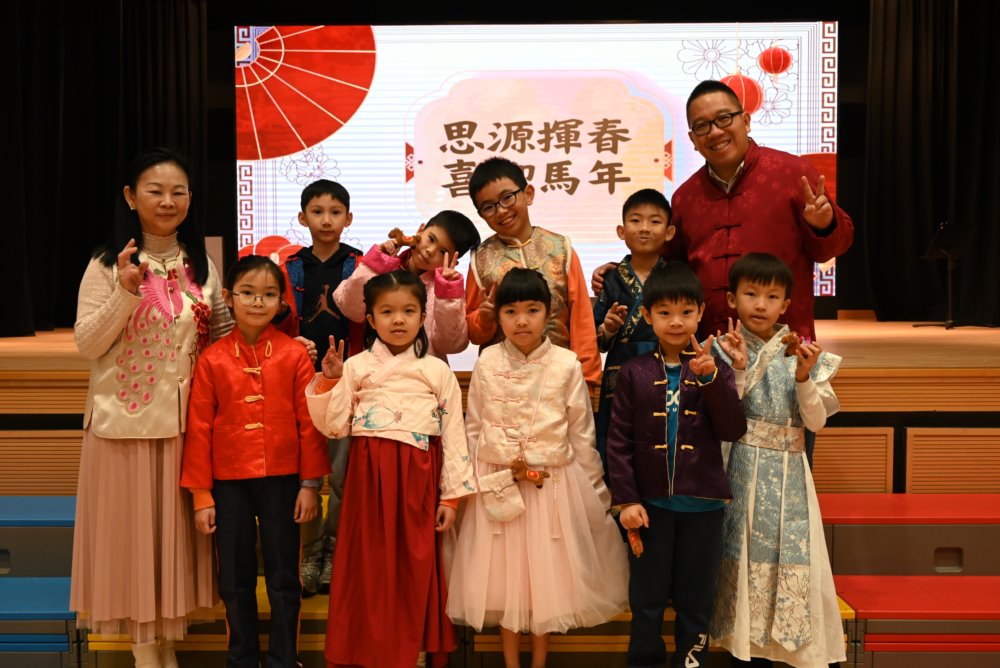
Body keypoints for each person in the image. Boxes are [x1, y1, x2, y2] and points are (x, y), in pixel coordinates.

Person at [70, 147, 233, 668]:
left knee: (172, 549)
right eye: (155, 191)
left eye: (178, 192)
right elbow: (88, 343)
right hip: (124, 427)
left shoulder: (200, 264)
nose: (167, 201)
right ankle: (145, 655)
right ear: (130, 197)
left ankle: (166, 648)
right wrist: (124, 292)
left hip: (186, 428)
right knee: (134, 547)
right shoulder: (105, 264)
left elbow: (222, 337)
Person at [448, 268, 629, 668]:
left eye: (532, 310)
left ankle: (540, 662)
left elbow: (581, 434)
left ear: (548, 313)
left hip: (553, 487)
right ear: (499, 317)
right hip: (496, 482)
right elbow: (473, 428)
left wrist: (596, 493)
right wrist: (469, 485)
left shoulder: (566, 363)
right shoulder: (487, 361)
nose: (522, 321)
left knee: (546, 580)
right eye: (511, 312)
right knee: (503, 581)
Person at [307, 270, 477, 668]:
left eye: (408, 311)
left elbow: (454, 434)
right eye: (387, 312)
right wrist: (331, 380)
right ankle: (367, 653)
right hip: (368, 479)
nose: (398, 320)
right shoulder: (356, 366)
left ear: (423, 316)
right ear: (370, 319)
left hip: (419, 478)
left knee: (415, 564)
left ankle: (411, 651)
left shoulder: (437, 370)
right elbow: (334, 425)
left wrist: (450, 498)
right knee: (368, 567)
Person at [180, 255, 329, 668]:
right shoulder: (212, 359)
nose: (258, 302)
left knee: (285, 578)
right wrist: (201, 496)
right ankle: (241, 659)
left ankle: (284, 659)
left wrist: (309, 485)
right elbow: (199, 429)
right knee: (234, 578)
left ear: (282, 302)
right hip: (228, 483)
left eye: (268, 294)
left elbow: (308, 424)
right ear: (229, 298)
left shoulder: (295, 355)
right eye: (247, 293)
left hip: (283, 480)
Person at [606, 261, 747, 668]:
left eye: (686, 311)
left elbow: (733, 429)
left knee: (696, 597)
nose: (676, 321)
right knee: (647, 597)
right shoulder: (633, 372)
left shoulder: (714, 368)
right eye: (664, 312)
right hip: (650, 506)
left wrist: (710, 381)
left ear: (700, 313)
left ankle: (692, 661)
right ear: (648, 316)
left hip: (704, 507)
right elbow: (618, 442)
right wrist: (627, 500)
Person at [709, 253, 845, 668]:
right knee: (740, 554)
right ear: (732, 299)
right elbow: (720, 416)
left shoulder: (802, 354)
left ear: (786, 305)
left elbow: (815, 422)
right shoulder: (720, 349)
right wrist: (737, 369)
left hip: (790, 476)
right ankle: (742, 648)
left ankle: (783, 647)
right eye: (751, 294)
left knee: (789, 556)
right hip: (739, 467)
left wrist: (803, 377)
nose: (760, 305)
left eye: (772, 297)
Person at [274, 178, 363, 597]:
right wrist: (290, 343)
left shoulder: (361, 265)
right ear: (302, 217)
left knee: (344, 476)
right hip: (300, 384)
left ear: (348, 218)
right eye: (317, 211)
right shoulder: (289, 266)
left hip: (349, 383)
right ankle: (309, 554)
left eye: (335, 212)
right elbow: (274, 321)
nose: (326, 220)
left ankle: (334, 551)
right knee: (306, 476)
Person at [465, 156, 602, 387]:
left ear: (528, 194)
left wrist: (587, 381)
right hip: (502, 384)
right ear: (481, 214)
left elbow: (582, 321)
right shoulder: (479, 260)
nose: (501, 211)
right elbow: (472, 331)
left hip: (559, 380)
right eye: (489, 207)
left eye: (507, 198)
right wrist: (484, 319)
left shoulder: (561, 249)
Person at [332, 209, 481, 364]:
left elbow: (450, 345)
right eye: (431, 239)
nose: (430, 251)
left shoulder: (446, 292)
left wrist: (447, 295)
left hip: (425, 374)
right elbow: (350, 308)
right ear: (421, 230)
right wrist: (375, 263)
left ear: (452, 262)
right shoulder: (382, 269)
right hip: (376, 370)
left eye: (443, 252)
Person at [593, 188, 675, 464]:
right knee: (618, 438)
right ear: (621, 231)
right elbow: (596, 339)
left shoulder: (675, 277)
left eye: (655, 221)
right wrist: (608, 329)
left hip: (665, 367)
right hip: (620, 369)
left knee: (661, 437)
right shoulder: (611, 279)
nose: (644, 228)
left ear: (669, 232)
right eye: (636, 220)